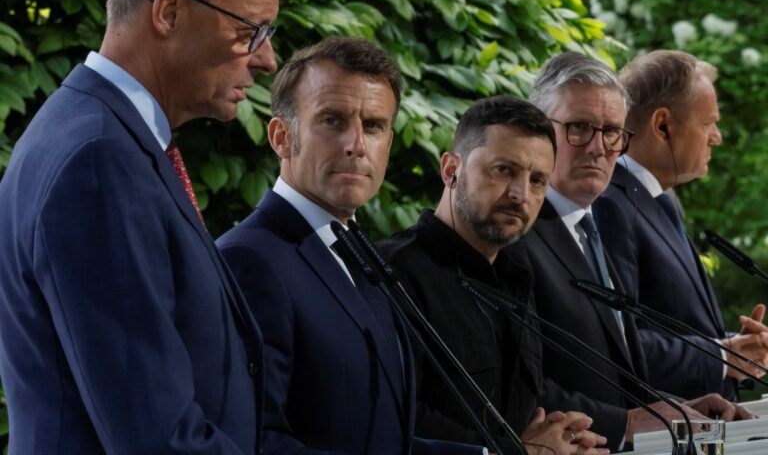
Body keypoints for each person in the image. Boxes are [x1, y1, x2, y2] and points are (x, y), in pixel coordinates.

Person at [0, 0, 278, 454]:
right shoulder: (98, 161)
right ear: (169, 11)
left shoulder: (99, 134)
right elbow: (156, 439)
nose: (267, 59)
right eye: (249, 30)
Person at [217, 37, 483, 455]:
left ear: (388, 144)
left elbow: (382, 441)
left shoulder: (357, 252)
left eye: (373, 125)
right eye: (331, 120)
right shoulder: (248, 260)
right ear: (281, 137)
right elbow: (252, 441)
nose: (356, 145)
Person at [506, 52, 753, 451]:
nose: (598, 148)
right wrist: (627, 423)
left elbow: (617, 370)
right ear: (539, 131)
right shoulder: (514, 235)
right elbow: (515, 388)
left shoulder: (590, 227)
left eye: (611, 132)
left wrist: (674, 409)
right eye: (579, 128)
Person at [378, 95, 609, 455]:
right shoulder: (392, 272)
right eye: (503, 170)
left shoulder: (516, 278)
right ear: (451, 170)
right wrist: (521, 452)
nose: (521, 195)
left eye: (537, 180)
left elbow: (518, 414)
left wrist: (562, 439)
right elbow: (396, 419)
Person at [593, 50, 768, 400]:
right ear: (663, 126)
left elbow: (674, 327)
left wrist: (739, 350)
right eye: (708, 123)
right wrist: (722, 356)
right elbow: (619, 344)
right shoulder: (611, 205)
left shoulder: (660, 198)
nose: (716, 137)